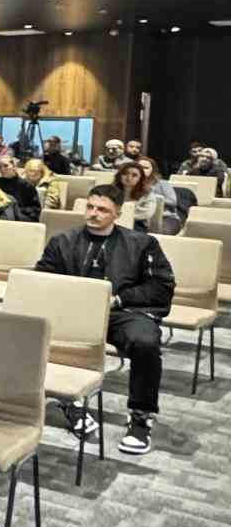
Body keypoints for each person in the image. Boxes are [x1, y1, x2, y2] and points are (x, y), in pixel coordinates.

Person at [35, 185, 174, 454]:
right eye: (90, 207)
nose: (94, 214)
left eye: (102, 210)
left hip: (121, 313)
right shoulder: (62, 241)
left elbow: (161, 286)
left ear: (118, 214)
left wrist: (119, 298)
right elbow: (43, 279)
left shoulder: (142, 243)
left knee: (145, 341)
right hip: (74, 311)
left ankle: (141, 416)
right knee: (37, 330)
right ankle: (69, 399)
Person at [115, 159, 164, 233]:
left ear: (140, 178)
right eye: (125, 173)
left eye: (134, 175)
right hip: (111, 222)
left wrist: (122, 216)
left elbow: (146, 214)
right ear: (119, 176)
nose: (129, 178)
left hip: (136, 225)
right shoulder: (111, 191)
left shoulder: (148, 195)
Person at [0, 154, 42, 223]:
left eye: (6, 166)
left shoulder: (26, 186)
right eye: (0, 167)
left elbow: (35, 210)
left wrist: (16, 210)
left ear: (14, 167)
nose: (2, 169)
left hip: (20, 219)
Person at [139, 157, 181, 232]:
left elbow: (173, 201)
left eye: (146, 168)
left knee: (162, 232)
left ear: (153, 170)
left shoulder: (162, 183)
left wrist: (152, 198)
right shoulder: (129, 184)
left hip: (166, 217)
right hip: (141, 218)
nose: (142, 170)